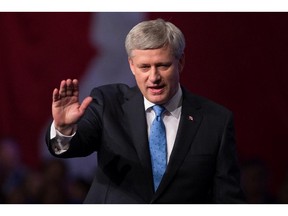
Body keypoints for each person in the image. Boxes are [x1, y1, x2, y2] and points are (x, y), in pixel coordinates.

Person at [46, 18, 245, 203]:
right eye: (144, 67)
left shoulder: (216, 120)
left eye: (162, 66)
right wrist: (64, 129)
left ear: (180, 62)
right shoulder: (108, 103)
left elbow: (228, 197)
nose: (153, 77)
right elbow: (74, 146)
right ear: (132, 66)